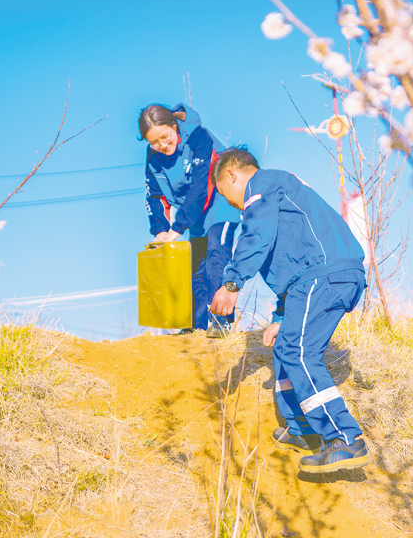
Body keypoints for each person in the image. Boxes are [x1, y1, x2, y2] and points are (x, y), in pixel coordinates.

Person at [207, 147, 370, 473]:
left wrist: (232, 284)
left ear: (232, 175)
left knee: (298, 352)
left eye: (227, 196)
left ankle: (344, 437)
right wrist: (281, 316)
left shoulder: (262, 184)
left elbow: (259, 236)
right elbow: (291, 258)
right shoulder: (279, 195)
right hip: (317, 277)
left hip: (324, 274)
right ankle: (301, 427)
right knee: (287, 347)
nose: (231, 204)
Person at [139, 103, 242, 333]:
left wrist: (176, 228)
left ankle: (220, 322)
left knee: (217, 251)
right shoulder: (153, 158)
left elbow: (201, 187)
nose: (161, 145)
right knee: (196, 267)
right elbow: (153, 196)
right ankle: (195, 328)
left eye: (165, 137)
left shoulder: (199, 138)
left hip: (220, 203)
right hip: (193, 216)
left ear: (174, 125)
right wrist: (160, 230)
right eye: (153, 142)